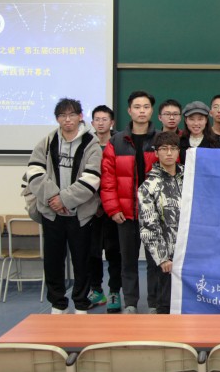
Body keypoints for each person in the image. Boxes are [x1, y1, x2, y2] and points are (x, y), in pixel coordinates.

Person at [27, 98, 101, 314]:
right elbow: (34, 171)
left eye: (72, 115)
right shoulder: (47, 141)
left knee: (82, 262)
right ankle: (58, 304)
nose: (67, 119)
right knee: (53, 262)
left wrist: (65, 199)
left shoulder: (91, 144)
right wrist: (54, 198)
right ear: (57, 118)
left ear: (80, 116)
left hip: (81, 215)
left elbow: (92, 178)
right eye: (62, 116)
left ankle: (81, 304)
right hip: (52, 214)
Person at [101, 90, 159, 314]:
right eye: (137, 107)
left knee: (155, 261)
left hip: (154, 214)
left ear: (151, 111)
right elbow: (108, 179)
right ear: (129, 111)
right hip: (125, 213)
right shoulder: (116, 142)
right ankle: (131, 303)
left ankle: (154, 304)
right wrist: (113, 208)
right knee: (128, 262)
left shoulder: (160, 140)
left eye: (146, 107)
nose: (141, 111)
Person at [137, 131, 184, 314]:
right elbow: (149, 226)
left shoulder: (190, 177)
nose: (169, 153)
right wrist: (163, 257)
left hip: (189, 254)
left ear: (178, 151)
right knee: (165, 304)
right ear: (156, 153)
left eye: (173, 148)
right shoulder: (148, 186)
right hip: (167, 258)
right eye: (164, 149)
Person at [87, 105, 122, 313]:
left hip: (113, 207)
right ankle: (96, 290)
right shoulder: (86, 144)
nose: (101, 123)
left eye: (105, 119)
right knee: (92, 252)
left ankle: (115, 291)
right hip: (90, 208)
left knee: (114, 252)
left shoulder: (119, 143)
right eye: (97, 119)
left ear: (112, 122)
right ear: (92, 123)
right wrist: (95, 202)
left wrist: (107, 203)